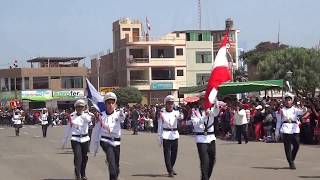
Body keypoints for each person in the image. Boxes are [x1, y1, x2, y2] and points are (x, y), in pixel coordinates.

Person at [91, 92, 125, 180]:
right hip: (105, 140)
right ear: (105, 104)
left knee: (116, 167)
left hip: (116, 141)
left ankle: (112, 165)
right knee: (112, 166)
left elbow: (122, 118)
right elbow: (96, 131)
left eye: (112, 103)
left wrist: (121, 112)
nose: (110, 105)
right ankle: (110, 161)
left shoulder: (118, 114)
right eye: (108, 103)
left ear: (115, 104)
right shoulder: (101, 115)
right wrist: (95, 147)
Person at [62, 99, 94, 180]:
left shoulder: (87, 115)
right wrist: (64, 141)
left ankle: (83, 173)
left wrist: (83, 115)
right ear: (75, 107)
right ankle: (77, 175)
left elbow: (89, 120)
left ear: (83, 108)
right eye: (78, 107)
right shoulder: (71, 116)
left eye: (81, 107)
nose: (79, 108)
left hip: (85, 139)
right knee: (77, 157)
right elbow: (68, 129)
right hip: (75, 139)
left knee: (84, 157)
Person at [191, 97, 220, 180]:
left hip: (211, 138)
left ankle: (205, 178)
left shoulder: (211, 109)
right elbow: (195, 123)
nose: (204, 102)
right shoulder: (195, 111)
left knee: (212, 160)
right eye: (203, 100)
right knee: (204, 161)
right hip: (201, 138)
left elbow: (216, 112)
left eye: (206, 100)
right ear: (200, 101)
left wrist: (216, 101)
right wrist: (204, 117)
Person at [158, 95, 183, 177]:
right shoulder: (162, 114)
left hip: (175, 135)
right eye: (169, 103)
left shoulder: (176, 112)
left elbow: (181, 117)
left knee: (174, 154)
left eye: (172, 103)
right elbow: (160, 126)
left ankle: (171, 167)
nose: (170, 105)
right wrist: (159, 137)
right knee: (167, 154)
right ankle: (170, 170)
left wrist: (180, 115)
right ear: (166, 104)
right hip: (166, 135)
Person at [278, 92, 304, 169]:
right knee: (287, 147)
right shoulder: (281, 110)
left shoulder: (296, 109)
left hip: (294, 129)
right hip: (285, 128)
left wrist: (302, 107)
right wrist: (277, 132)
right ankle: (291, 162)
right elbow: (279, 121)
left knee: (296, 145)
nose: (288, 101)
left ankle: (291, 158)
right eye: (286, 100)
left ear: (292, 101)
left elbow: (302, 112)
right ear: (284, 101)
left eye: (289, 100)